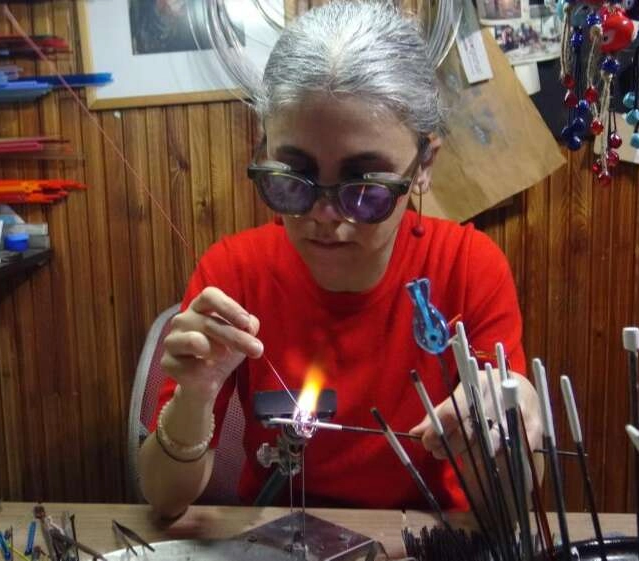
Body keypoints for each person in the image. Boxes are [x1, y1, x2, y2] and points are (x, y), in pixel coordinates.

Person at [138, 0, 542, 523]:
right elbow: (164, 497)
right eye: (292, 180)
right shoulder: (233, 272)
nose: (325, 217)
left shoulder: (468, 268)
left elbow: (510, 507)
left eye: (365, 188)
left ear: (423, 165)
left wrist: (510, 428)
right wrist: (194, 398)